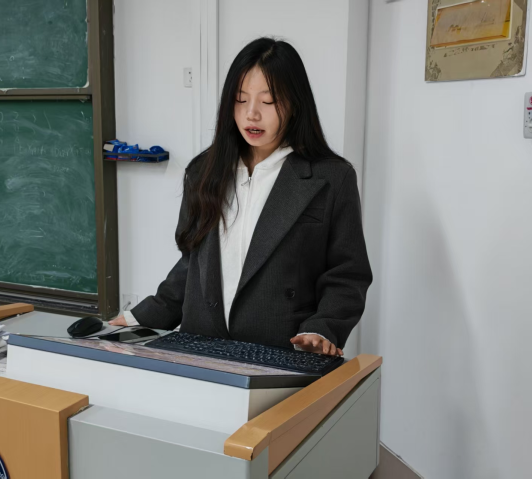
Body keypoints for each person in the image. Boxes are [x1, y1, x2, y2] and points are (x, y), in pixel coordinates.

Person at [110, 37, 372, 357]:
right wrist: (141, 318)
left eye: (268, 101)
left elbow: (347, 274)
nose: (251, 114)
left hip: (282, 353)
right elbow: (192, 265)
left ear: (295, 103)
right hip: (201, 348)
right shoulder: (203, 171)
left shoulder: (331, 178)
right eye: (240, 99)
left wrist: (322, 328)